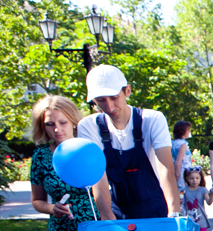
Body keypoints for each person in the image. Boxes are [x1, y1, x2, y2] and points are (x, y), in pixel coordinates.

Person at [30, 95, 115, 231]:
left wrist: (108, 224)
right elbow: (36, 200)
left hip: (94, 226)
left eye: (63, 122)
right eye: (50, 124)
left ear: (74, 122)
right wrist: (52, 208)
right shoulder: (40, 157)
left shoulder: (88, 149)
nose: (57, 129)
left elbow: (102, 191)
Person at [77, 65, 180, 219]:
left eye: (114, 97)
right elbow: (98, 180)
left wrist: (174, 214)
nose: (109, 106)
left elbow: (166, 170)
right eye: (101, 100)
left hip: (156, 209)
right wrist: (108, 221)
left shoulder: (152, 120)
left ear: (127, 91)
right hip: (117, 212)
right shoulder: (89, 126)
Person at [181, 165, 213, 231]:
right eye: (192, 178)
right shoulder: (184, 190)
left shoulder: (203, 190)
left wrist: (212, 195)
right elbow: (181, 203)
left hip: (201, 221)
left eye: (197, 178)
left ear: (200, 179)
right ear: (187, 179)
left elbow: (209, 202)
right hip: (189, 221)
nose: (194, 180)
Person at [172, 120, 192, 194]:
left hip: (174, 170)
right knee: (182, 193)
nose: (189, 131)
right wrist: (177, 174)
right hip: (183, 173)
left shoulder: (173, 143)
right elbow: (178, 163)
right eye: (188, 129)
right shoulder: (183, 144)